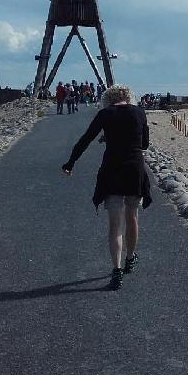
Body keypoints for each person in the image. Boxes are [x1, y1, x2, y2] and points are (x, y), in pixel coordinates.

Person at [61, 83, 151, 288]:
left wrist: (70, 163)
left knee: (114, 224)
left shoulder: (105, 114)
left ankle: (116, 270)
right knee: (132, 217)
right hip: (134, 169)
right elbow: (144, 144)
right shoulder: (139, 113)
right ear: (129, 97)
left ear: (108, 99)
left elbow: (85, 140)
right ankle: (130, 258)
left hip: (112, 170)